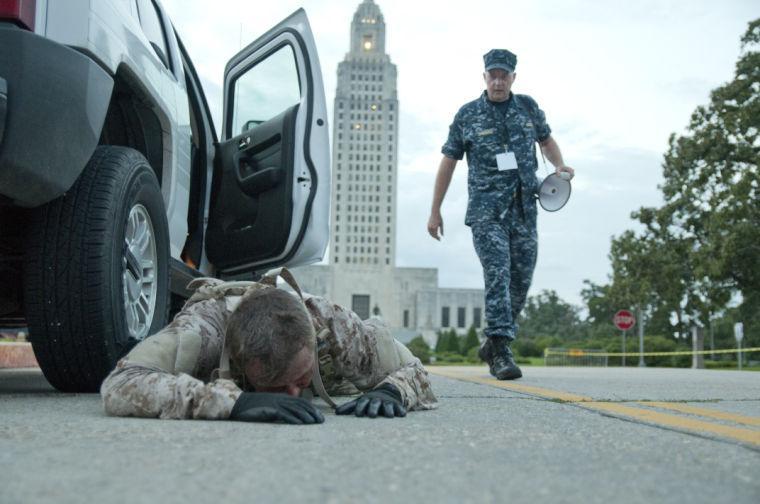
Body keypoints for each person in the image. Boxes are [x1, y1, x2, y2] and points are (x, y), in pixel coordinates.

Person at [101, 269, 437, 424]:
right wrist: (233, 402)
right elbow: (121, 383)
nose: (292, 395)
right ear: (240, 359)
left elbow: (414, 369)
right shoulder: (202, 331)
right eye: (275, 384)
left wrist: (393, 391)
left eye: (302, 379)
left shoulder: (335, 327)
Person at [427, 49, 574, 380]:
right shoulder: (468, 115)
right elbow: (448, 163)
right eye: (492, 75)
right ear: (484, 77)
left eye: (503, 75)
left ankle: (493, 342)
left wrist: (559, 164)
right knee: (498, 273)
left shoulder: (528, 108)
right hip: (486, 212)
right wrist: (435, 211)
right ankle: (501, 349)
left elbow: (546, 141)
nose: (497, 80)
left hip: (524, 210)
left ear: (513, 78)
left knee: (521, 280)